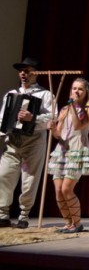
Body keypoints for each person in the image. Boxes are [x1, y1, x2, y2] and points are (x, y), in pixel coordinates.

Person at [0, 58, 54, 229]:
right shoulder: (11, 94)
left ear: (36, 73)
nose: (23, 73)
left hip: (34, 141)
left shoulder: (45, 95)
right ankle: (2, 214)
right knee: (4, 175)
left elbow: (52, 118)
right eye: (21, 71)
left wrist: (33, 118)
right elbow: (3, 117)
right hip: (13, 141)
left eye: (27, 70)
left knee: (29, 179)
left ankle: (24, 215)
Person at [47, 78, 89, 233]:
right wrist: (52, 128)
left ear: (86, 92)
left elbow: (77, 126)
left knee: (66, 189)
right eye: (74, 88)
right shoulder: (64, 109)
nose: (76, 91)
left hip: (77, 150)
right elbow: (59, 134)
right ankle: (68, 223)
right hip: (62, 151)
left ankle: (77, 224)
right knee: (58, 191)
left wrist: (74, 106)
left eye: (80, 89)